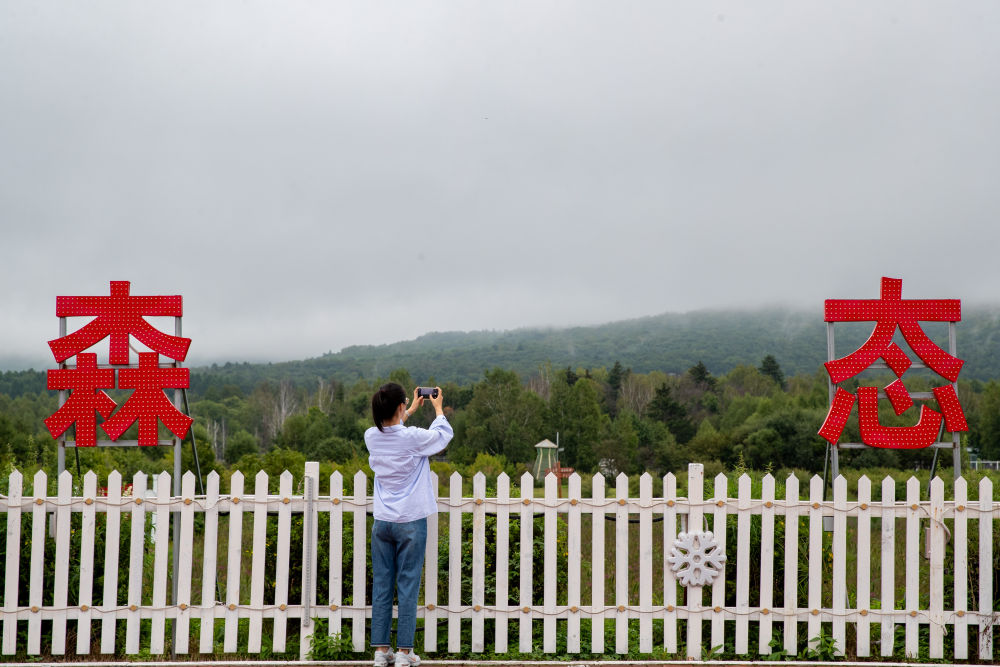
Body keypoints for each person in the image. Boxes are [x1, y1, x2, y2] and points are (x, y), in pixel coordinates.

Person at [365, 383, 452, 667]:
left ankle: (381, 651)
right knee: (408, 585)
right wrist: (438, 409)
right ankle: (404, 652)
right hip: (411, 520)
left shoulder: (371, 437)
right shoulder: (413, 437)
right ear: (399, 406)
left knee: (382, 585)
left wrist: (410, 409)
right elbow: (442, 436)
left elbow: (392, 429)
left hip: (383, 522)